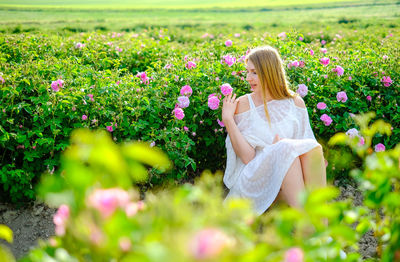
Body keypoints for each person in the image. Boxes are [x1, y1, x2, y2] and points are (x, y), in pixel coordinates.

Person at [222, 46, 326, 215]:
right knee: (285, 148)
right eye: (247, 72)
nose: (248, 78)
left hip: (290, 178)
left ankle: (321, 226)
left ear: (270, 72)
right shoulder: (244, 104)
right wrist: (228, 120)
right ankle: (308, 227)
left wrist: (282, 149)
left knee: (313, 149)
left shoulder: (296, 103)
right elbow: (248, 158)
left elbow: (306, 147)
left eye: (254, 72)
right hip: (253, 178)